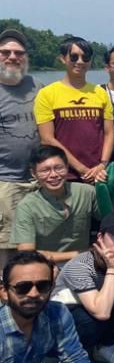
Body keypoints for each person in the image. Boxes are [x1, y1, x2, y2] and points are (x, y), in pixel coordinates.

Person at [0, 251, 108, 363]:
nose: (33, 294)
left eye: (43, 286)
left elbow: (75, 358)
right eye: (23, 287)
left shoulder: (56, 313)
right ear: (4, 292)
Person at [52, 211, 114, 363]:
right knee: (90, 318)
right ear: (100, 237)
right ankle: (70, 355)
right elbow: (101, 313)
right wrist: (112, 268)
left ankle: (103, 346)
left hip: (96, 306)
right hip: (62, 322)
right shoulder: (81, 264)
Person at [34, 36, 114, 183]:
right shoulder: (47, 93)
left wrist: (102, 164)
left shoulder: (100, 93)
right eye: (74, 57)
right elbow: (47, 139)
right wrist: (81, 169)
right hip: (62, 175)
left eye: (85, 57)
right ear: (63, 59)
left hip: (98, 174)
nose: (80, 61)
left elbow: (109, 133)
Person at [11, 146, 99, 265]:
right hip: (47, 266)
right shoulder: (27, 206)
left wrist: (105, 181)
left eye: (59, 168)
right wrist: (84, 253)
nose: (53, 175)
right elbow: (26, 253)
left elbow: (111, 219)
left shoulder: (87, 192)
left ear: (67, 167)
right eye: (45, 170)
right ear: (34, 173)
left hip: (84, 264)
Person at [0, 29, 42, 268]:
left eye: (19, 52)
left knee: (32, 245)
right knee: (5, 246)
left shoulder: (37, 85)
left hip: (38, 180)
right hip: (4, 183)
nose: (12, 57)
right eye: (5, 52)